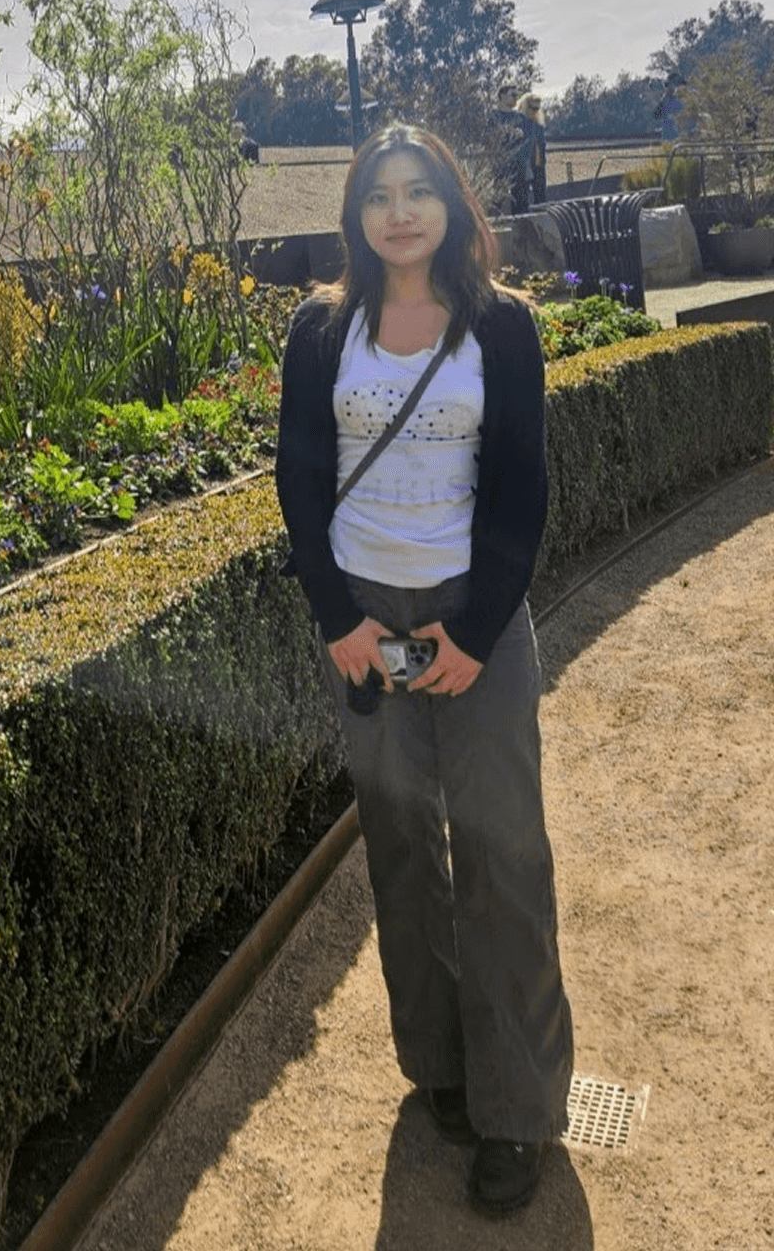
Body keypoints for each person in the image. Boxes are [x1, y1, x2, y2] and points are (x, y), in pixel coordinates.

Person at [274, 122, 574, 1218]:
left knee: (503, 857)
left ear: (452, 205)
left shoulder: (502, 325)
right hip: (367, 623)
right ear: (356, 213)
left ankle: (518, 1108)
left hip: (471, 619)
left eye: (418, 192)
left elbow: (523, 488)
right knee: (404, 853)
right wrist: (339, 621)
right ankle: (440, 1068)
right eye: (379, 195)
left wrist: (478, 633)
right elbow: (299, 479)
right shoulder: (322, 328)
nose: (399, 213)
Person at [493, 83, 536, 214]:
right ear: (502, 96)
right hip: (498, 168)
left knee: (521, 204)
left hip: (519, 168)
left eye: (517, 95)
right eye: (512, 95)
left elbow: (529, 143)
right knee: (495, 204)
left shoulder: (522, 118)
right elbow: (488, 139)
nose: (516, 98)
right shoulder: (493, 117)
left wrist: (522, 162)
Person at [515, 91, 548, 204]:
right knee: (521, 196)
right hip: (524, 164)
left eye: (537, 108)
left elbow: (542, 145)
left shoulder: (539, 125)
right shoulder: (519, 123)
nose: (535, 111)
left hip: (538, 164)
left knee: (541, 195)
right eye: (532, 108)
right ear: (525, 107)